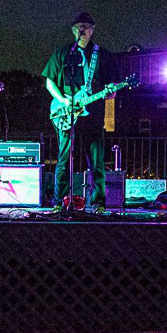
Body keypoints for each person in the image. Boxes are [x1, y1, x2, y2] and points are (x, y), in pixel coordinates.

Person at [42, 12, 118, 213]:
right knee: (64, 158)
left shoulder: (102, 55)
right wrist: (63, 100)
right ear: (72, 30)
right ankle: (59, 202)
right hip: (67, 112)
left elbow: (111, 85)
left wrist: (111, 91)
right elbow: (49, 81)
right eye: (77, 27)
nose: (81, 30)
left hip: (93, 114)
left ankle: (99, 203)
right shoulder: (62, 53)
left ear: (92, 30)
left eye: (85, 26)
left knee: (97, 161)